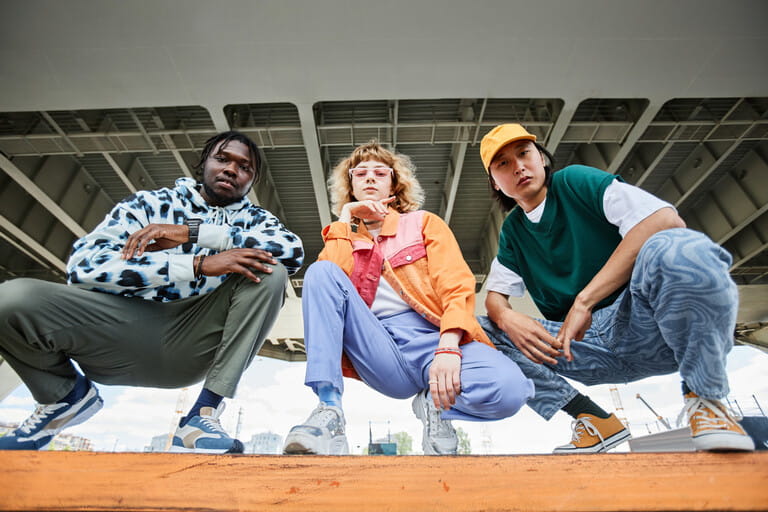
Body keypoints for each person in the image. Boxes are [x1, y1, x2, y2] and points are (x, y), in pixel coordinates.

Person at [0, 131, 303, 453]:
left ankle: (203, 414)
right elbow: (85, 266)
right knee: (10, 299)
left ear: (252, 181)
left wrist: (194, 232)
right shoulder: (149, 204)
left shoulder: (255, 220)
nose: (231, 169)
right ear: (203, 163)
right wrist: (197, 264)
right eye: (222, 159)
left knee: (269, 271)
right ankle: (64, 395)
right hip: (119, 328)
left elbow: (292, 251)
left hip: (191, 339)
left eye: (244, 167)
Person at [477, 123, 755, 454]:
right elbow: (494, 298)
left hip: (645, 324)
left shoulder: (575, 182)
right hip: (581, 347)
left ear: (541, 158)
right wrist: (506, 317)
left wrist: (584, 302)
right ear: (495, 183)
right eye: (503, 163)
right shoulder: (513, 231)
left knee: (678, 246)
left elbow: (665, 220)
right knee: (477, 329)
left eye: (524, 153)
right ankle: (594, 420)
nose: (519, 166)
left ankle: (707, 400)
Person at [282, 140, 533, 456]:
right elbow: (328, 283)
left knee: (511, 390)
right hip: (380, 347)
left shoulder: (423, 223)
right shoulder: (346, 236)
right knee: (320, 272)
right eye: (360, 173)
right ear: (350, 185)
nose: (370, 178)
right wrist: (345, 218)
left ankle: (435, 405)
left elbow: (456, 286)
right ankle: (329, 411)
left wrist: (448, 346)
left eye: (380, 173)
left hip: (435, 337)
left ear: (394, 183)